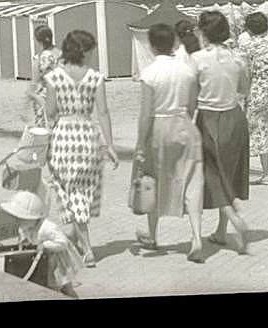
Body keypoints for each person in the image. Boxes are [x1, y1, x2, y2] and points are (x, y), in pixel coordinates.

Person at [43, 29, 118, 267]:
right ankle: (78, 237)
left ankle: (87, 248)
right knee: (83, 190)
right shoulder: (96, 78)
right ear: (83, 51)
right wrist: (110, 145)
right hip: (88, 137)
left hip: (63, 137)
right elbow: (103, 112)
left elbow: (50, 112)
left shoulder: (54, 77)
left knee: (68, 189)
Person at [133, 23, 205, 263]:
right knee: (193, 183)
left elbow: (145, 114)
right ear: (174, 42)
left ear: (152, 45)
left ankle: (153, 236)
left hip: (160, 128)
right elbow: (194, 104)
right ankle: (196, 238)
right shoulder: (186, 70)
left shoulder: (150, 73)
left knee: (153, 180)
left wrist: (141, 144)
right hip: (185, 124)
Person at [191, 10, 251, 255]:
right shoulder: (238, 58)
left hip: (209, 117)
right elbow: (244, 90)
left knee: (211, 174)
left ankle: (233, 218)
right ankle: (221, 230)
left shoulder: (197, 59)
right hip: (235, 118)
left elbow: (191, 93)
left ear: (205, 32)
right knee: (228, 173)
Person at [0, 190, 82, 298]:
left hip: (58, 261)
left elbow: (63, 242)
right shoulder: (26, 227)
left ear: (32, 218)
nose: (17, 222)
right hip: (44, 259)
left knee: (64, 287)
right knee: (49, 285)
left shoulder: (47, 228)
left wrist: (46, 245)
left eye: (20, 219)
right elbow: (26, 239)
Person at [238, 12, 268, 186]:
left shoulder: (247, 49)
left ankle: (264, 173)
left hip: (256, 90)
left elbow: (247, 75)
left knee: (258, 133)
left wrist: (244, 96)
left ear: (249, 29)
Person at [26, 25, 58, 128]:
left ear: (38, 40)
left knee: (43, 129)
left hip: (44, 96)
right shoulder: (61, 54)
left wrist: (27, 99)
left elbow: (34, 82)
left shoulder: (39, 57)